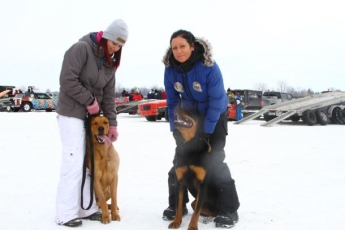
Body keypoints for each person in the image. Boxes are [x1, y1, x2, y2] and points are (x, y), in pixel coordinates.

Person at [162, 29, 240, 228]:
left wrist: (207, 130)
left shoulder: (208, 67)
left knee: (215, 161)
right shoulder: (171, 69)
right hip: (191, 118)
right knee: (179, 161)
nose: (178, 51)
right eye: (174, 48)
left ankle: (229, 209)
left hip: (216, 116)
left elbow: (216, 100)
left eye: (182, 46)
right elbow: (172, 101)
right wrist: (174, 128)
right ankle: (176, 206)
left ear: (192, 46)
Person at [55, 19, 128, 227]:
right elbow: (67, 80)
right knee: (73, 162)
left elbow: (108, 98)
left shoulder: (109, 64)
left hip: (90, 120)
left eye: (119, 45)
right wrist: (89, 100)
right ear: (105, 36)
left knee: (89, 166)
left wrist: (112, 124)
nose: (115, 47)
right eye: (113, 41)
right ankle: (65, 214)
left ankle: (85, 209)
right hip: (71, 114)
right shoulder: (81, 49)